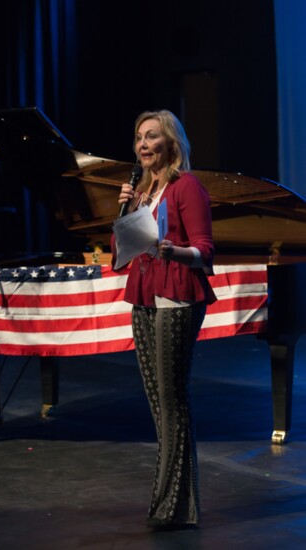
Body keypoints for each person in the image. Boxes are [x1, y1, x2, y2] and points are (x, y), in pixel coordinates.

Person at [111, 109, 217, 531]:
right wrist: (122, 212)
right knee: (160, 405)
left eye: (151, 137)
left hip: (178, 297)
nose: (142, 145)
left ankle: (169, 504)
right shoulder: (139, 192)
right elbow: (122, 256)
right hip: (144, 297)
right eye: (138, 138)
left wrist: (175, 251)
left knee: (172, 401)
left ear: (170, 143)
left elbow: (206, 250)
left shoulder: (186, 186)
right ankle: (182, 505)